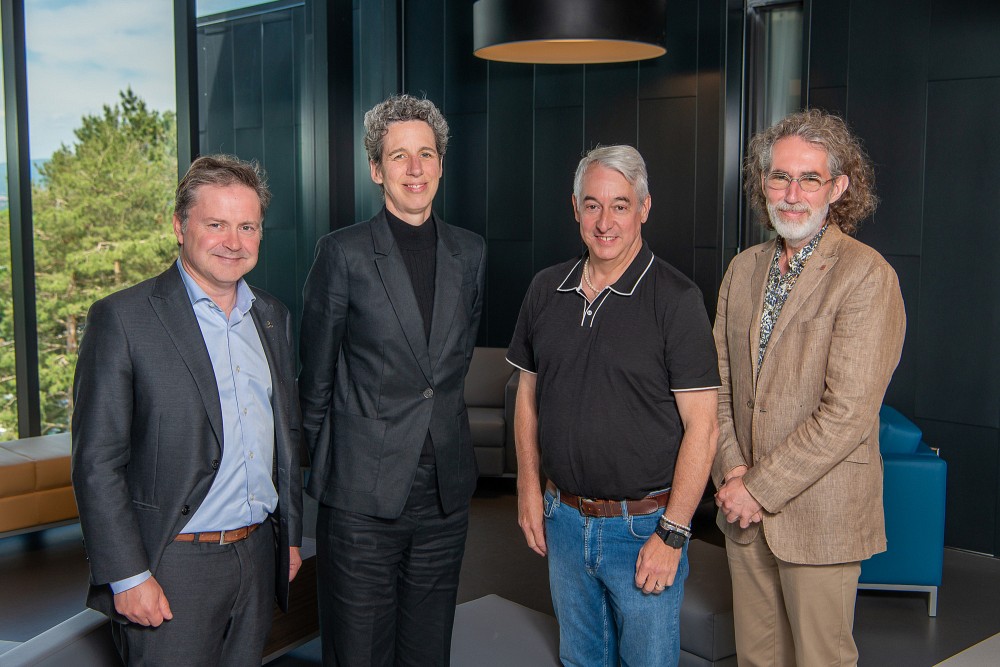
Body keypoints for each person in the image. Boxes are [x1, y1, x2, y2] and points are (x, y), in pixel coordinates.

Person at [71, 154, 303, 665]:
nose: (233, 241)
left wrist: (288, 536)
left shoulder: (272, 317)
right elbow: (97, 463)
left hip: (257, 554)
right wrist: (128, 575)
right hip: (172, 562)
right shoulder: (123, 319)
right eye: (215, 224)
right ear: (180, 226)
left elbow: (283, 434)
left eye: (247, 226)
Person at [507, 145, 720, 667]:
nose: (605, 222)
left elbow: (705, 429)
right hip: (563, 520)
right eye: (593, 205)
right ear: (575, 207)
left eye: (620, 205)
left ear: (644, 208)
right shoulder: (544, 290)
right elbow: (527, 398)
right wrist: (529, 487)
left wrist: (673, 533)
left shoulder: (676, 299)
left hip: (643, 529)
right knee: (581, 661)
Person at [713, 109, 906, 666]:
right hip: (742, 514)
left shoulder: (866, 275)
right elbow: (719, 386)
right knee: (756, 659)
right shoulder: (743, 270)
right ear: (763, 183)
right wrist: (732, 474)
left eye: (809, 179)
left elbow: (846, 414)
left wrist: (758, 488)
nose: (791, 193)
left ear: (838, 186)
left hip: (820, 517)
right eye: (780, 177)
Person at [299, 94, 486, 667]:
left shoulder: (470, 253)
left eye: (425, 154)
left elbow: (451, 365)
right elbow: (316, 379)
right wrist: (306, 480)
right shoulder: (343, 254)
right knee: (359, 652)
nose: (415, 168)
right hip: (361, 495)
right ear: (377, 169)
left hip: (444, 491)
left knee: (428, 651)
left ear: (440, 165)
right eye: (399, 156)